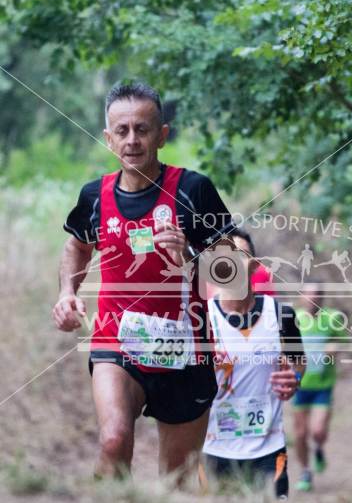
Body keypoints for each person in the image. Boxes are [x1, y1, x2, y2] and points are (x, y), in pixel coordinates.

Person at [52, 81, 234, 482]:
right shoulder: (94, 197)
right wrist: (67, 292)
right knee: (113, 439)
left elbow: (235, 277)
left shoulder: (193, 191)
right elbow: (78, 248)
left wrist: (188, 258)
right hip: (117, 341)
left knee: (178, 481)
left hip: (186, 351)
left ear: (162, 135)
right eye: (122, 130)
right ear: (108, 138)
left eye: (143, 129)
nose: (132, 140)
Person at [202, 229, 306, 499]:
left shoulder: (282, 314)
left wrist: (293, 379)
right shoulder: (202, 317)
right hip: (213, 447)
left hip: (268, 448)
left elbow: (298, 363)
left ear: (255, 265)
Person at [292, 285, 346, 491]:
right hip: (299, 383)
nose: (313, 298)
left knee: (318, 430)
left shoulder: (332, 317)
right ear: (302, 296)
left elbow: (342, 342)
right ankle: (305, 472)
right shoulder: (293, 317)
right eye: (309, 294)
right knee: (299, 433)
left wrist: (333, 348)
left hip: (323, 384)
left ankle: (319, 449)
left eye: (317, 295)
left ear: (322, 298)